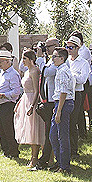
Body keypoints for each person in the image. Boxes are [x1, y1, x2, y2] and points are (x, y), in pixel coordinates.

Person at [48, 45, 75, 174]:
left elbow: (64, 92)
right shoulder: (59, 70)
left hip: (64, 103)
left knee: (62, 135)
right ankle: (60, 162)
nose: (53, 59)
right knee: (53, 135)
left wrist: (59, 110)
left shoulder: (64, 71)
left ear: (62, 58)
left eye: (55, 57)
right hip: (59, 103)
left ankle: (65, 166)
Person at [0, 48, 23, 159]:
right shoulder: (2, 73)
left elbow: (16, 91)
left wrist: (4, 95)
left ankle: (13, 151)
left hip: (8, 105)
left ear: (7, 61)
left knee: (9, 129)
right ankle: (6, 150)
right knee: (1, 129)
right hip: (0, 104)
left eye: (0, 61)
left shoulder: (13, 74)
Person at [16, 49, 44, 169]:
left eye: (25, 59)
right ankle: (34, 157)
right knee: (28, 128)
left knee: (35, 130)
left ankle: (36, 158)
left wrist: (33, 105)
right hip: (26, 98)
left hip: (33, 99)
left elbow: (37, 90)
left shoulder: (35, 71)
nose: (23, 61)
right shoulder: (27, 71)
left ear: (31, 60)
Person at [35, 39, 61, 169]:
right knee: (49, 132)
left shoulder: (59, 61)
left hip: (54, 101)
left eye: (49, 46)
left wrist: (40, 58)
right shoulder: (50, 61)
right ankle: (46, 159)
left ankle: (47, 160)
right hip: (47, 100)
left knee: (51, 132)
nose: (47, 49)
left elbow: (46, 72)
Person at [66, 34, 91, 153]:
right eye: (67, 47)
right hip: (66, 94)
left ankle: (74, 149)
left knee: (73, 121)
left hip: (77, 94)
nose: (68, 50)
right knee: (66, 121)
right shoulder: (66, 61)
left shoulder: (83, 63)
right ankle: (67, 147)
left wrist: (70, 77)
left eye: (71, 47)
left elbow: (82, 79)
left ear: (77, 48)